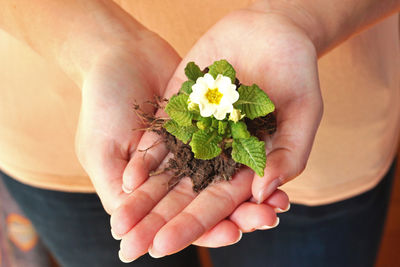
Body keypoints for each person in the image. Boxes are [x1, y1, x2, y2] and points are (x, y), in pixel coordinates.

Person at [0, 0, 398, 266]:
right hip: (44, 123)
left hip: (337, 131)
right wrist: (97, 44)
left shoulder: (223, 103)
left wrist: (301, 14)